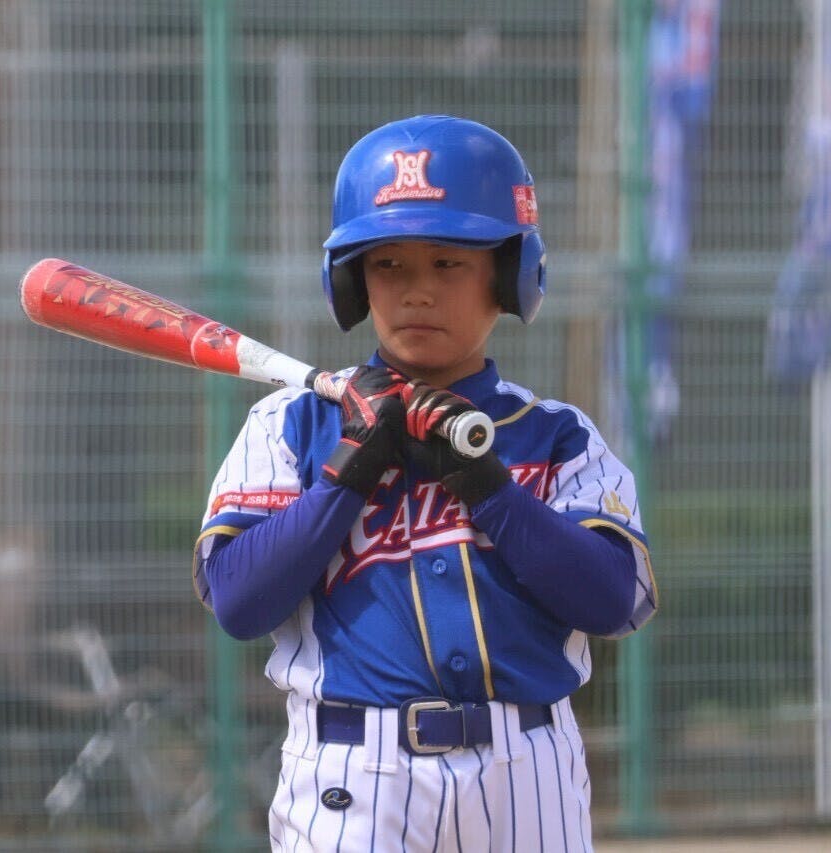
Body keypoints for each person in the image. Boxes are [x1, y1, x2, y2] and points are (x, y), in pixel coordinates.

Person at [193, 115, 658, 852]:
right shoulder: (292, 424)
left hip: (526, 767)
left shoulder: (555, 434)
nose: (417, 292)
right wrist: (346, 475)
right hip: (354, 772)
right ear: (352, 281)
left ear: (508, 275)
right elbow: (238, 601)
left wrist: (492, 492)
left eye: (448, 263)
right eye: (389, 265)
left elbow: (614, 600)